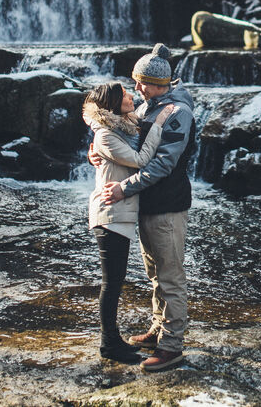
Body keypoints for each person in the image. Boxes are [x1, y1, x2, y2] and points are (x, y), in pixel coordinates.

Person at [95, 43, 196, 373]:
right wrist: (95, 152)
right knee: (155, 273)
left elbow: (163, 165)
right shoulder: (148, 106)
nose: (136, 89)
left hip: (167, 205)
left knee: (170, 276)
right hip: (148, 203)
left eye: (142, 83)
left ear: (161, 83)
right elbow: (118, 135)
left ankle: (171, 346)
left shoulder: (177, 114)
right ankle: (158, 328)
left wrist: (123, 189)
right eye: (136, 82)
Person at [82, 81, 176, 364]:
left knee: (115, 282)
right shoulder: (105, 135)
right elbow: (141, 159)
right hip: (110, 214)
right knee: (111, 284)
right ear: (112, 102)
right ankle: (109, 344)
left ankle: (112, 340)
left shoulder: (118, 128)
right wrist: (159, 122)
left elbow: (119, 157)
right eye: (124, 94)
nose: (131, 94)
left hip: (119, 214)